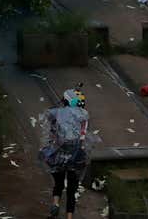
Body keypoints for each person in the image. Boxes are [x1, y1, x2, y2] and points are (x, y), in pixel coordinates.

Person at [40, 88, 91, 218]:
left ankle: (56, 204)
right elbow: (82, 135)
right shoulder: (84, 115)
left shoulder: (57, 112)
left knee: (58, 183)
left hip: (59, 154)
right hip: (77, 155)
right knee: (71, 190)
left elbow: (48, 120)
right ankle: (69, 217)